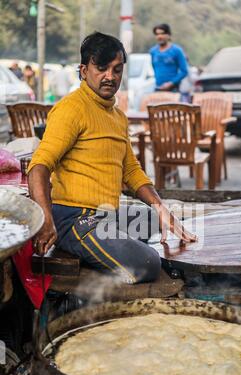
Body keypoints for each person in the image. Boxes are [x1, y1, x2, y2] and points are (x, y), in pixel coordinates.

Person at [28, 32, 196, 284]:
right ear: (84, 71)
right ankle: (94, 250)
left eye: (117, 69)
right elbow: (38, 168)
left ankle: (104, 248)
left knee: (153, 219)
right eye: (102, 68)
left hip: (105, 215)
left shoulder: (117, 116)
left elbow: (131, 170)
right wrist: (45, 221)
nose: (110, 76)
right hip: (74, 219)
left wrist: (162, 208)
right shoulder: (70, 109)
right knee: (148, 263)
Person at [149, 23, 188, 92]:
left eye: (162, 33)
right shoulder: (153, 51)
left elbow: (184, 71)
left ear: (169, 35)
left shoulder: (177, 50)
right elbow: (154, 67)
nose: (160, 36)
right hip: (158, 88)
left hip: (173, 90)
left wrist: (171, 83)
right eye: (157, 34)